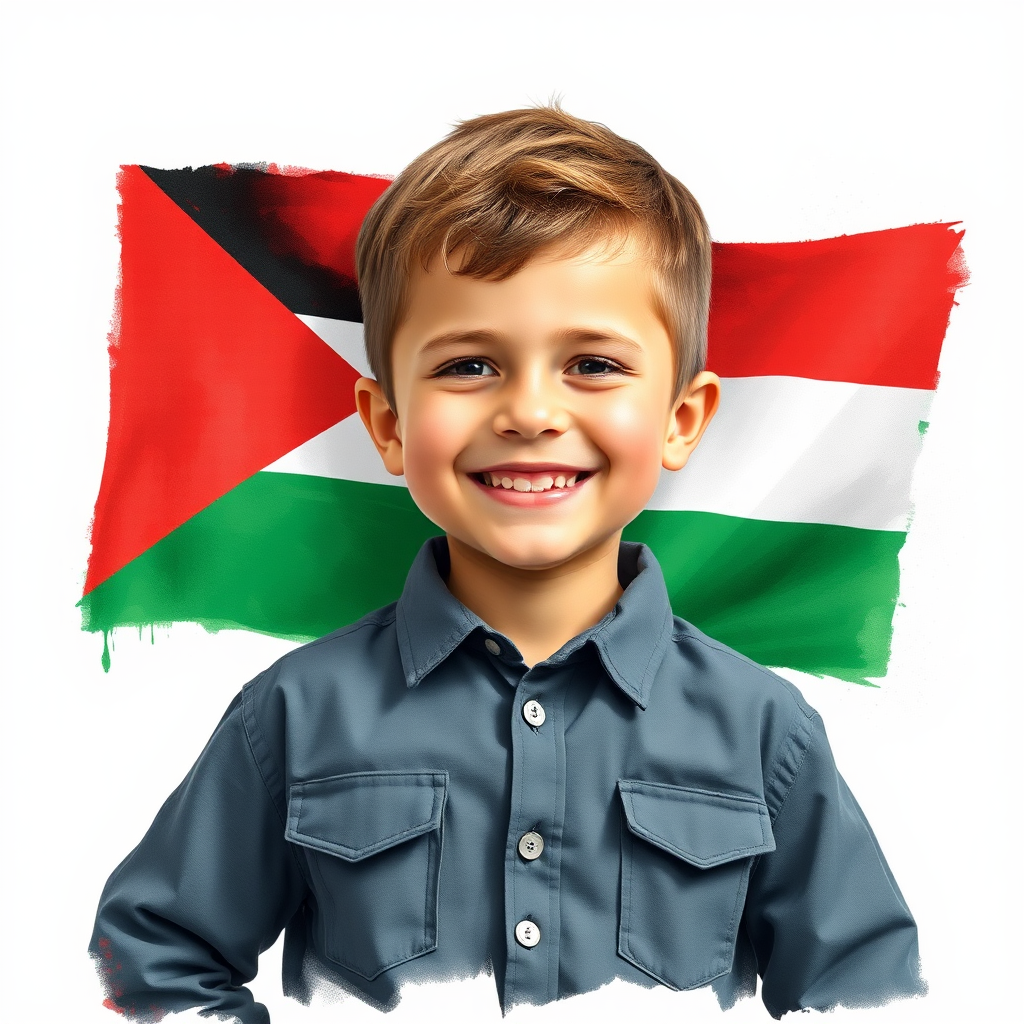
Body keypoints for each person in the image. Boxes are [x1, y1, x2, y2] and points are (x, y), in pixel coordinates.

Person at [90, 105, 925, 1023]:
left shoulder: (767, 731)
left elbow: (864, 994)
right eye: (469, 367)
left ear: (682, 419)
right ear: (389, 424)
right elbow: (152, 957)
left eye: (595, 365)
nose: (530, 411)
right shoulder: (293, 716)